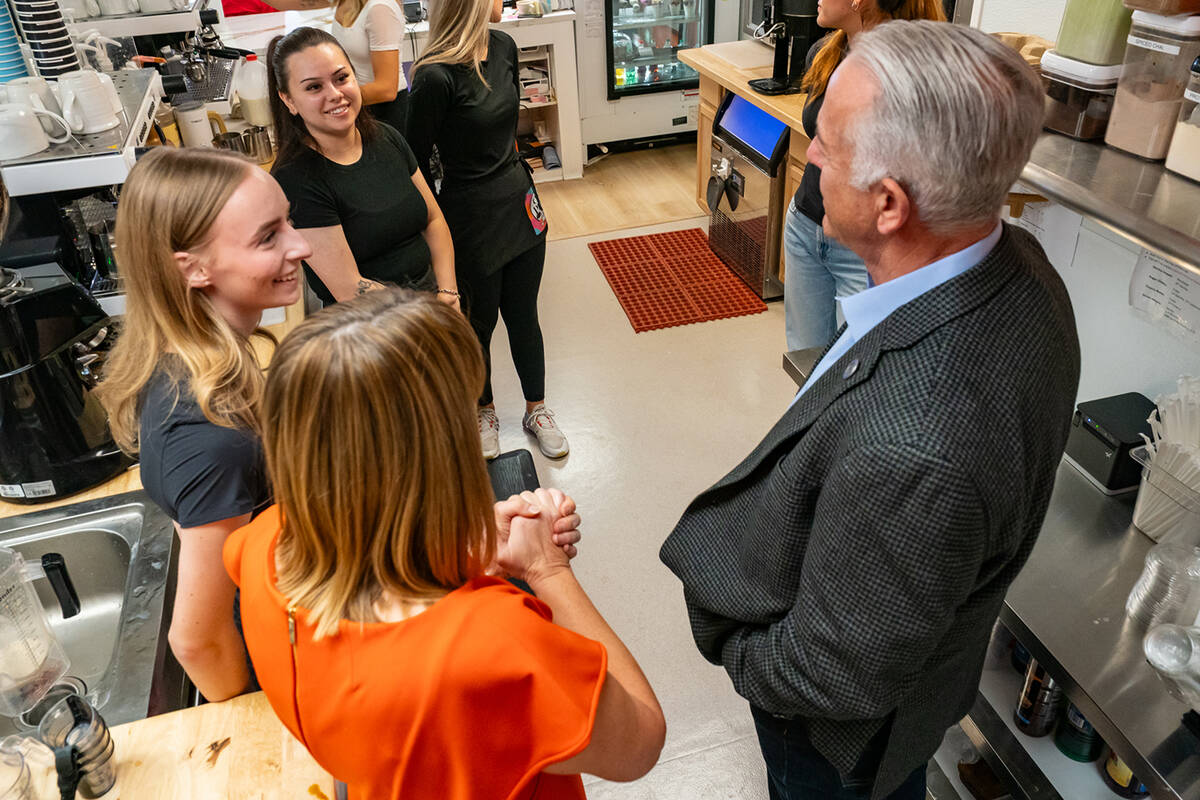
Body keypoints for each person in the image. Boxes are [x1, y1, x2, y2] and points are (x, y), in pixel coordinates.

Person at [661, 21, 1081, 800]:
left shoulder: (918, 450)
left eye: (824, 143)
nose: (809, 154)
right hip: (914, 671)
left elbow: (829, 675)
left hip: (830, 745)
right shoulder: (1022, 268)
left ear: (889, 204)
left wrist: (739, 650)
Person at [224, 288, 666, 799]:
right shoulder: (493, 642)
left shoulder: (263, 543)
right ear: (443, 454)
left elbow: (366, 557)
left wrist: (464, 542)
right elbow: (640, 740)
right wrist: (548, 571)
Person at [98, 147, 314, 701]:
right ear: (193, 268)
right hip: (273, 643)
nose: (301, 245)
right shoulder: (209, 437)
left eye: (288, 220)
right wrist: (254, 719)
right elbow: (196, 640)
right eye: (269, 237)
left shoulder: (188, 361)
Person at [407, 0, 567, 461]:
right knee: (479, 324)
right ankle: (484, 411)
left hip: (520, 204)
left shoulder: (504, 46)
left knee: (524, 316)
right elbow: (413, 161)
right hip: (469, 216)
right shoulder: (435, 77)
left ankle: (537, 410)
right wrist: (432, 228)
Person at [783, 0, 945, 353]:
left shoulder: (916, 76)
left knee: (860, 361)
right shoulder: (825, 53)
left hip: (865, 245)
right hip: (806, 224)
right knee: (805, 358)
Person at [267, 27, 456, 308]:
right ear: (289, 100)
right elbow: (349, 287)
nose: (334, 94)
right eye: (313, 87)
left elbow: (433, 220)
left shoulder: (387, 137)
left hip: (430, 305)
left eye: (341, 78)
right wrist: (429, 316)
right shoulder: (295, 178)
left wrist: (448, 293)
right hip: (370, 326)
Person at [262, 0, 410, 131]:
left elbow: (386, 89)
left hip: (384, 110)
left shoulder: (380, 8)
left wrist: (323, 103)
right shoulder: (347, 2)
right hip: (356, 103)